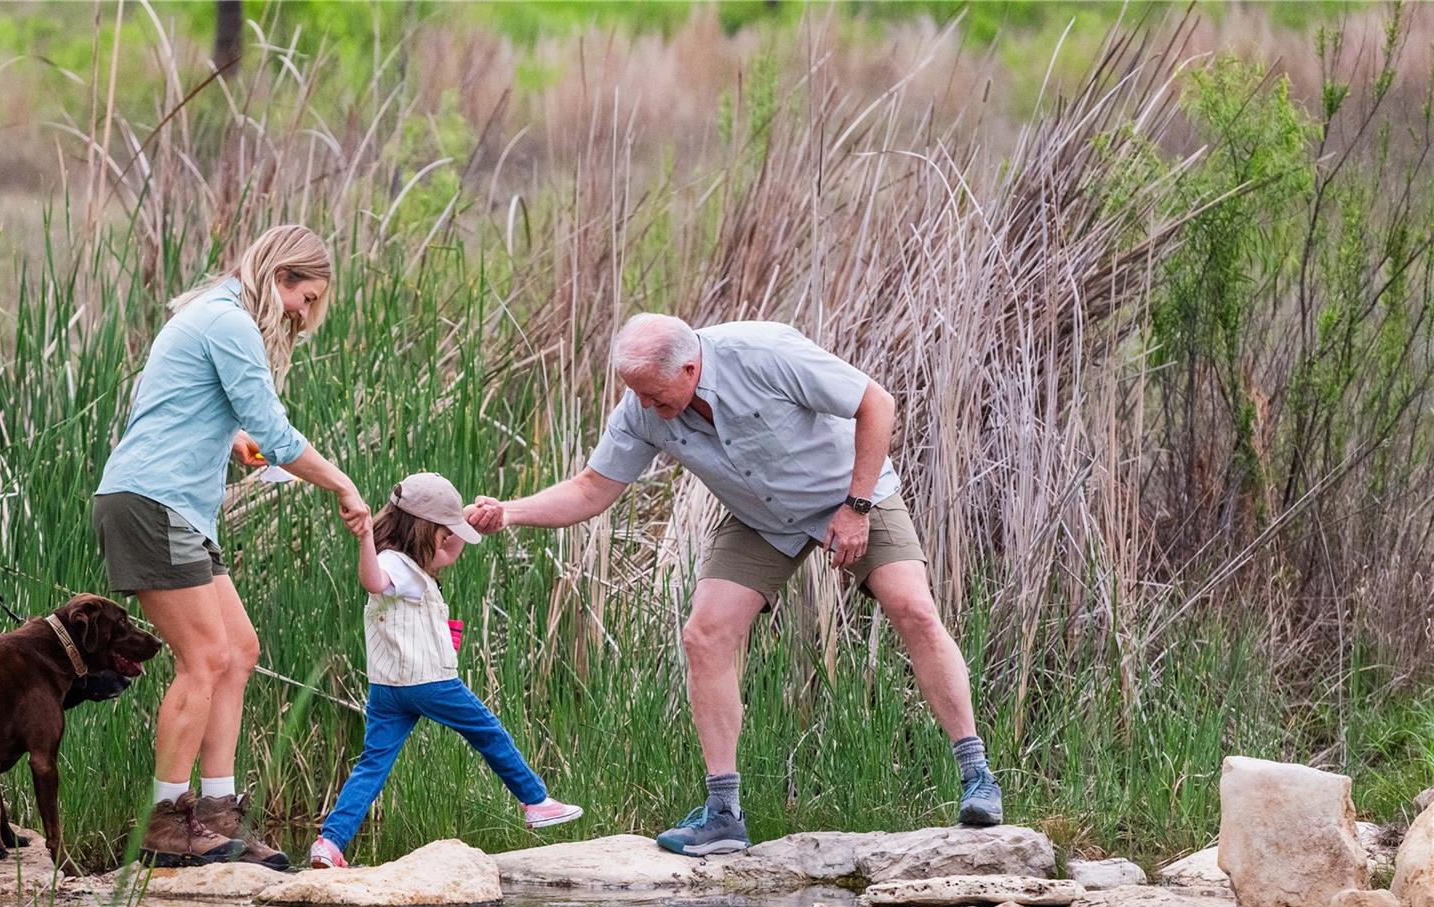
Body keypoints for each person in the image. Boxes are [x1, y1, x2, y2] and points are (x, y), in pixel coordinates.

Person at [465, 312, 1002, 856]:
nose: (644, 405)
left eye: (652, 393)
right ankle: (724, 815)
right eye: (636, 394)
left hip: (852, 493)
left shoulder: (763, 353)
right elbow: (590, 490)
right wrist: (510, 512)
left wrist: (857, 507)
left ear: (689, 367)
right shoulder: (642, 408)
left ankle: (978, 777)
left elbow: (876, 403)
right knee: (704, 635)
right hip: (762, 519)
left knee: (913, 609)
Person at [94, 224, 369, 869]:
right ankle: (167, 821)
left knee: (239, 650)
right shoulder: (229, 321)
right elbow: (277, 433)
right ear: (280, 277)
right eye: (305, 300)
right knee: (204, 658)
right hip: (152, 502)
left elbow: (183, 404)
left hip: (180, 509)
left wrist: (231, 438)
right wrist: (342, 483)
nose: (302, 317)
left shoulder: (214, 312)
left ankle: (218, 813)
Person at [310, 474, 583, 868]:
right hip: (430, 683)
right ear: (424, 530)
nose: (448, 542)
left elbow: (448, 555)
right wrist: (364, 537)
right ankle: (535, 801)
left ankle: (331, 843)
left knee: (373, 764)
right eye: (443, 533)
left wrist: (465, 518)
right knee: (488, 732)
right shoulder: (391, 563)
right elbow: (373, 581)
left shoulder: (411, 562)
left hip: (388, 689)